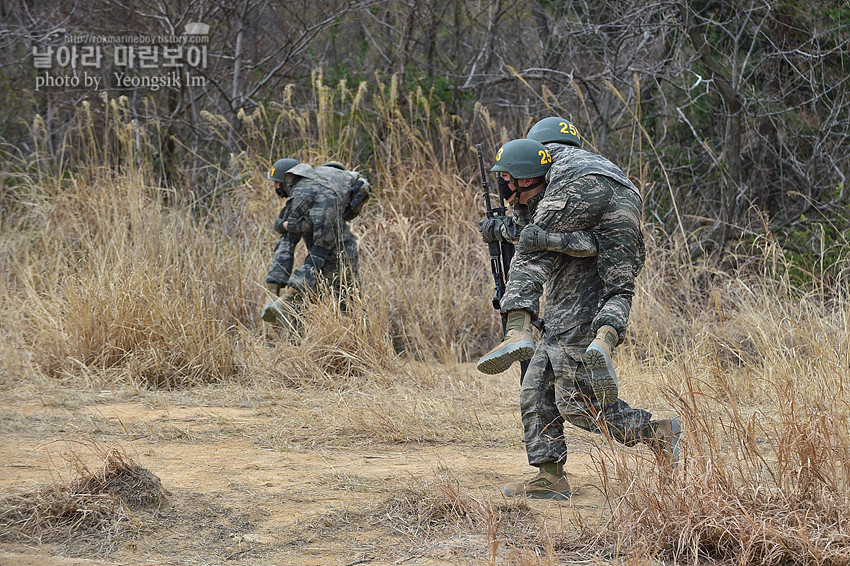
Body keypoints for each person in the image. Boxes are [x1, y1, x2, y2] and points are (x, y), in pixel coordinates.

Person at [476, 137, 680, 501]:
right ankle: (550, 476)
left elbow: (536, 242)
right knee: (535, 386)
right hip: (571, 305)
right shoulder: (607, 182)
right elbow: (584, 241)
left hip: (576, 306)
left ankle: (655, 432)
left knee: (577, 404)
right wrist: (509, 227)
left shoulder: (565, 178)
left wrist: (511, 236)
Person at [477, 118, 644, 405]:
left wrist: (501, 228)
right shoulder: (597, 160)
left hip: (575, 187)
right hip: (629, 195)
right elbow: (586, 241)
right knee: (619, 289)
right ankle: (604, 339)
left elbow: (532, 229)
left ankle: (517, 330)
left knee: (532, 248)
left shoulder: (542, 160)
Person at [261, 158, 368, 326]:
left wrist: (275, 282)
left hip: (335, 250)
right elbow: (288, 237)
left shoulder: (305, 194)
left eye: (276, 183)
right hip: (339, 251)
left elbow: (289, 236)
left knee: (319, 297)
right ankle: (360, 340)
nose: (275, 187)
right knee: (348, 301)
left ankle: (288, 309)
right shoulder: (328, 192)